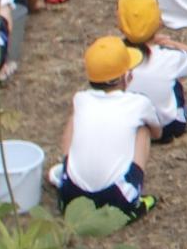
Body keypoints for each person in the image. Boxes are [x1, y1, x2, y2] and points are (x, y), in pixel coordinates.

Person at [53, 36, 160, 220]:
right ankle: (133, 201)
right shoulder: (138, 103)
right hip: (116, 200)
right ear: (126, 76)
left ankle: (65, 173)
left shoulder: (81, 99)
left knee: (74, 118)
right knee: (143, 130)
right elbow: (158, 132)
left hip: (72, 198)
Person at [115, 0, 187, 144]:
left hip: (129, 128)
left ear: (120, 23)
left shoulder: (114, 56)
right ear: (159, 21)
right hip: (169, 128)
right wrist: (171, 43)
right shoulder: (169, 56)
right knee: (175, 79)